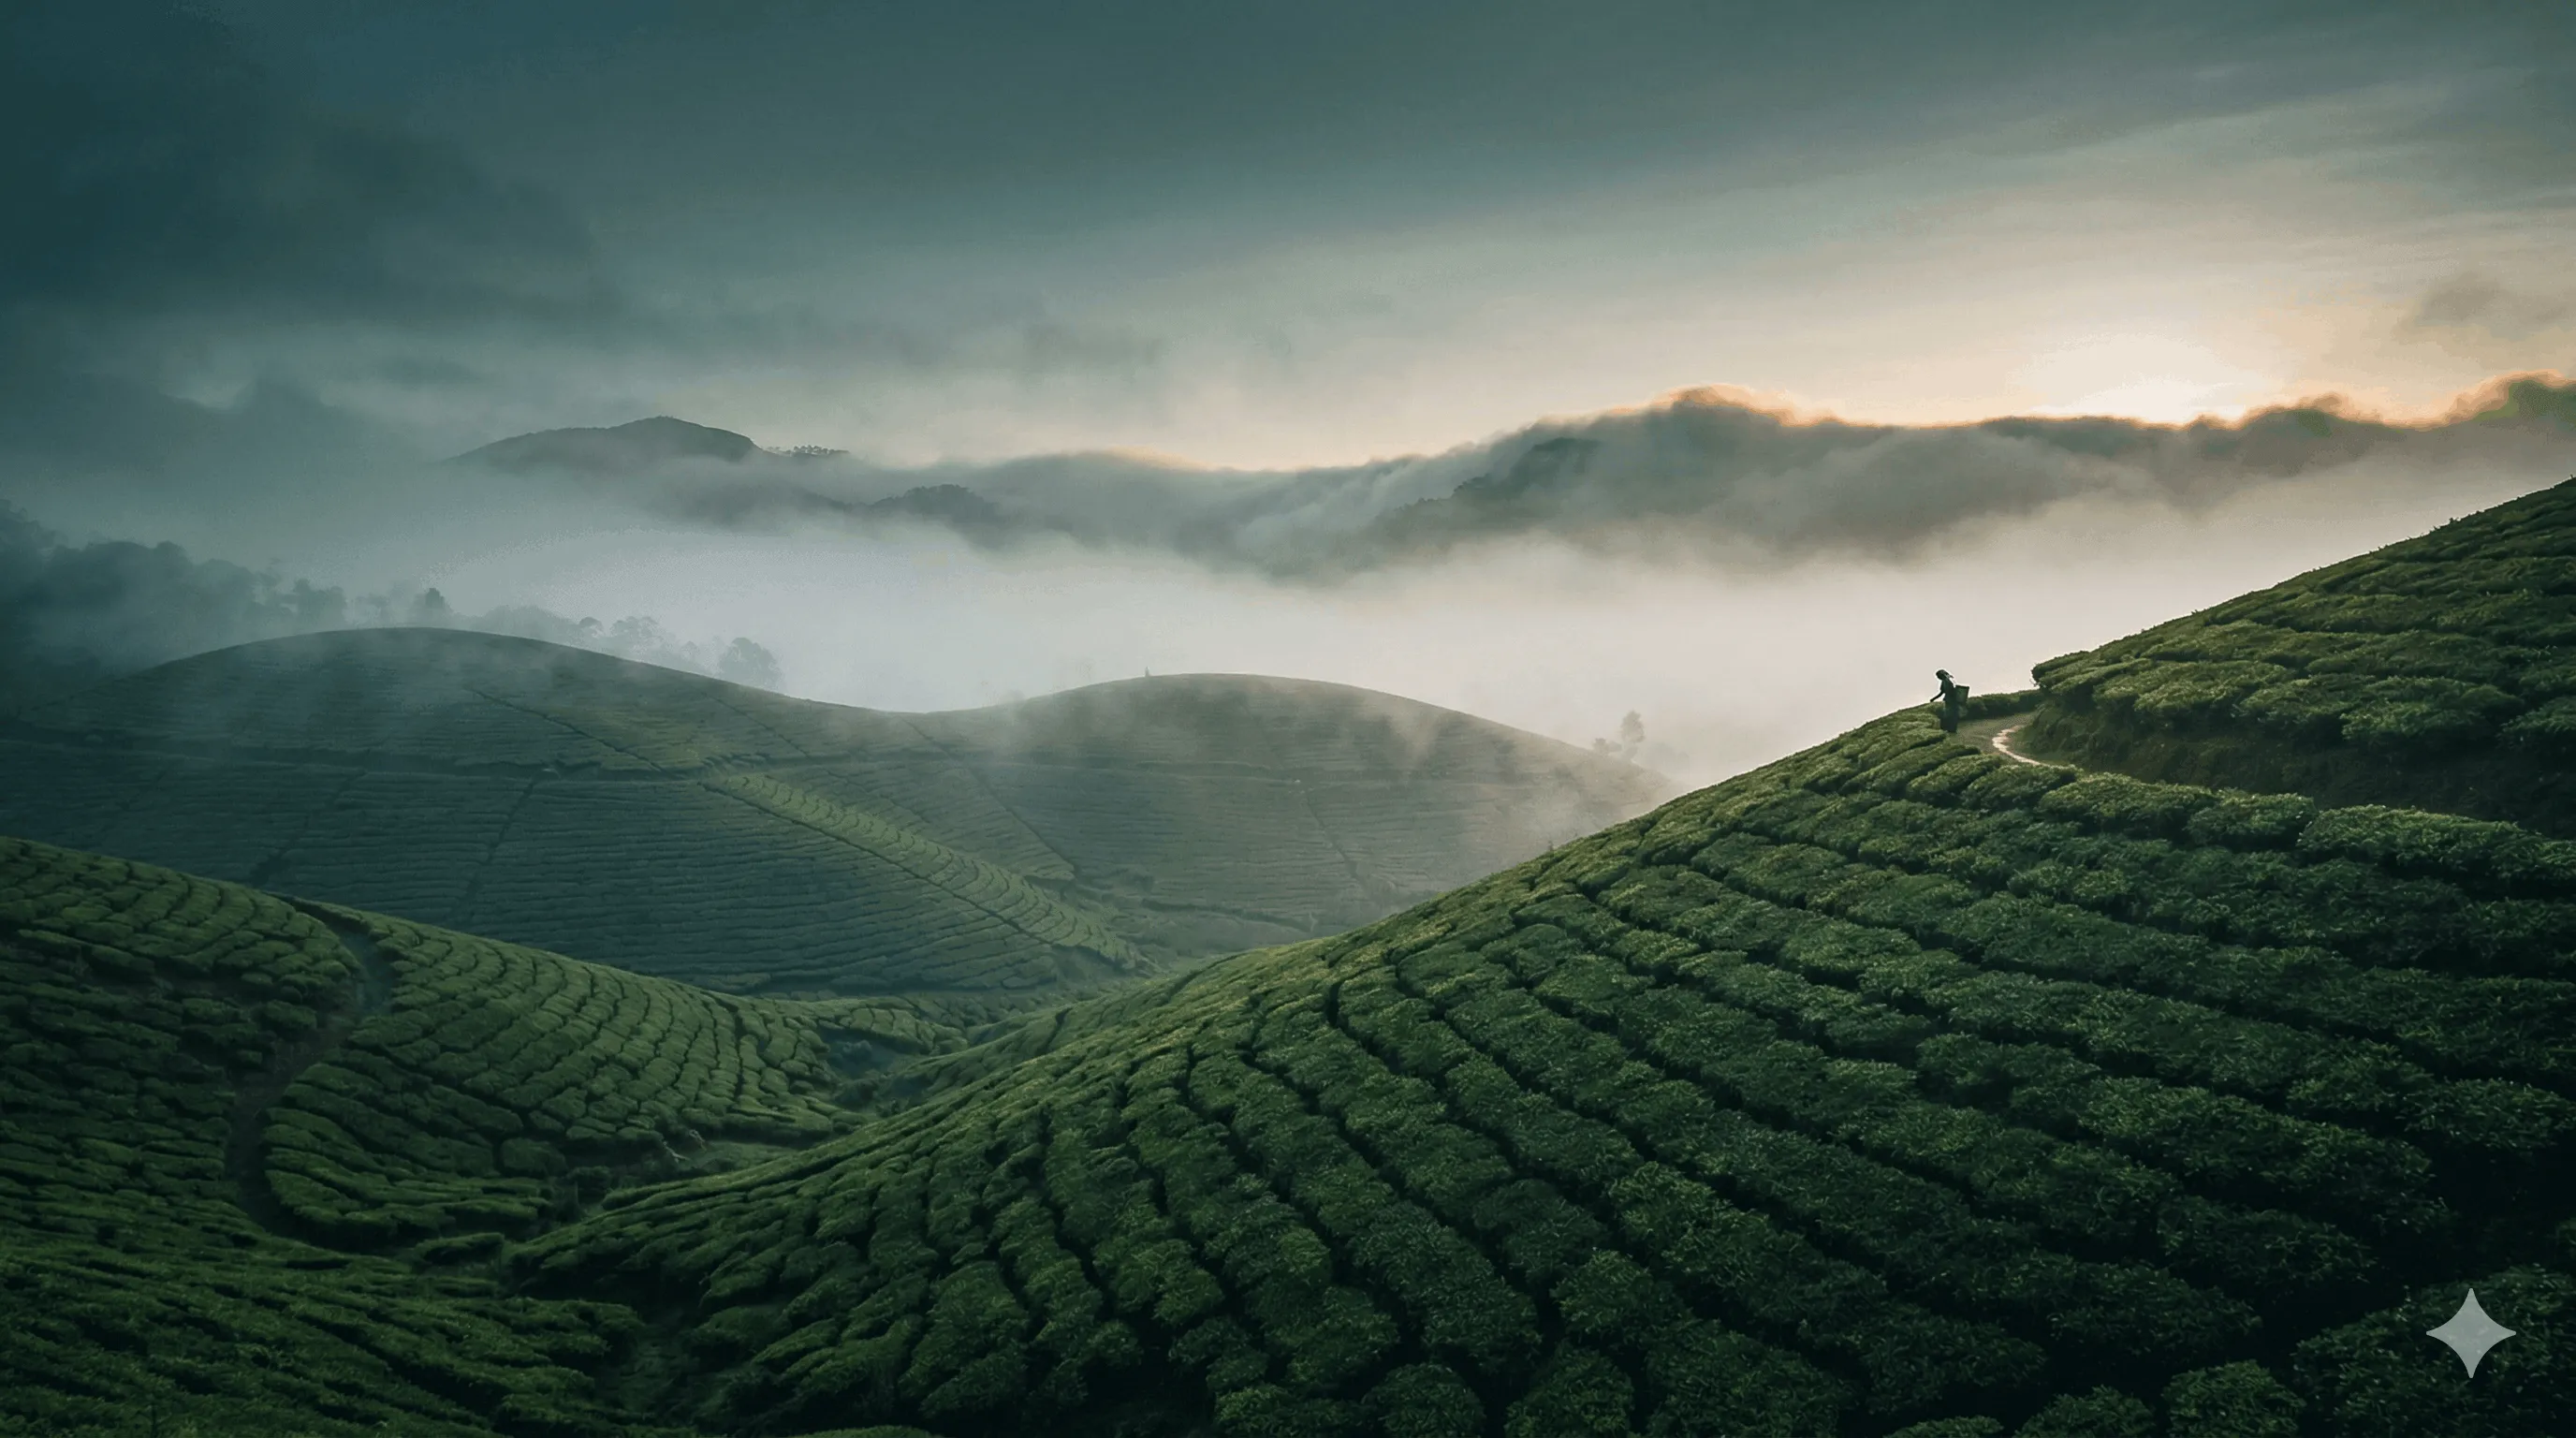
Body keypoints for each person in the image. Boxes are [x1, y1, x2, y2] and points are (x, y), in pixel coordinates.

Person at [1932, 669, 1969, 733]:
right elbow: (1942, 691)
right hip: (1949, 701)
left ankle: (1952, 730)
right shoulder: (1945, 681)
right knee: (1948, 715)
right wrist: (1934, 698)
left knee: (1951, 715)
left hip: (1952, 701)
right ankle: (1949, 729)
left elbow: (1955, 691)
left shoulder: (1950, 680)